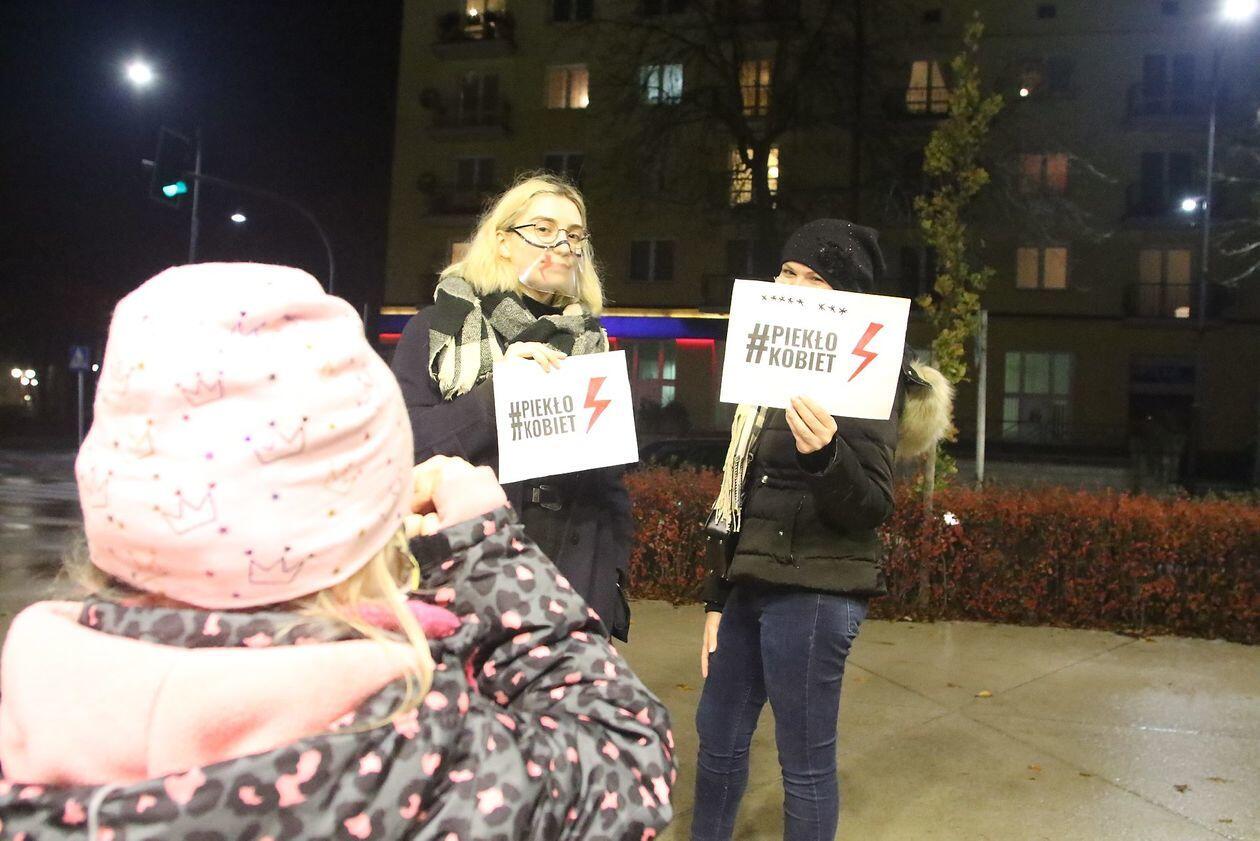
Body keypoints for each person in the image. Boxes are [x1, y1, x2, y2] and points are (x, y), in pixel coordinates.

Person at [0, 263, 675, 839]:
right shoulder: (408, 757)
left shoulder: (26, 724)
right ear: (375, 523)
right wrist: (489, 549)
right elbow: (626, 757)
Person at [691, 220, 953, 841]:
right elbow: (741, 496)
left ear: (846, 299)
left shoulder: (867, 376)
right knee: (718, 736)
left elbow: (872, 505)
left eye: (817, 279)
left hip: (818, 592)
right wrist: (717, 599)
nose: (795, 286)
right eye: (789, 272)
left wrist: (827, 455)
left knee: (803, 762)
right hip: (751, 582)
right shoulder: (765, 378)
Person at [392, 173, 634, 641]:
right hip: (465, 582)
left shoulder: (592, 341)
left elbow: (610, 486)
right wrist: (495, 395)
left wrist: (610, 582)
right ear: (502, 241)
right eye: (543, 229)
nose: (562, 245)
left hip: (573, 585)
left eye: (575, 235)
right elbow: (406, 449)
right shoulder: (438, 329)